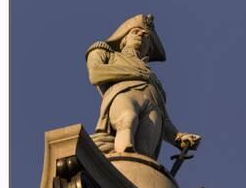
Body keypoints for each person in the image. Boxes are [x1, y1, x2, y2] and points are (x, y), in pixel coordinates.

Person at [86, 13, 201, 160]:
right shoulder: (108, 54)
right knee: (127, 118)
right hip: (123, 92)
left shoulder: (153, 79)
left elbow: (164, 118)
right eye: (135, 32)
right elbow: (95, 74)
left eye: (146, 35)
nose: (140, 35)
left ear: (149, 49)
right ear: (123, 40)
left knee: (145, 152)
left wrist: (178, 137)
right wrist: (138, 73)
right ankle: (124, 154)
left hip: (153, 106)